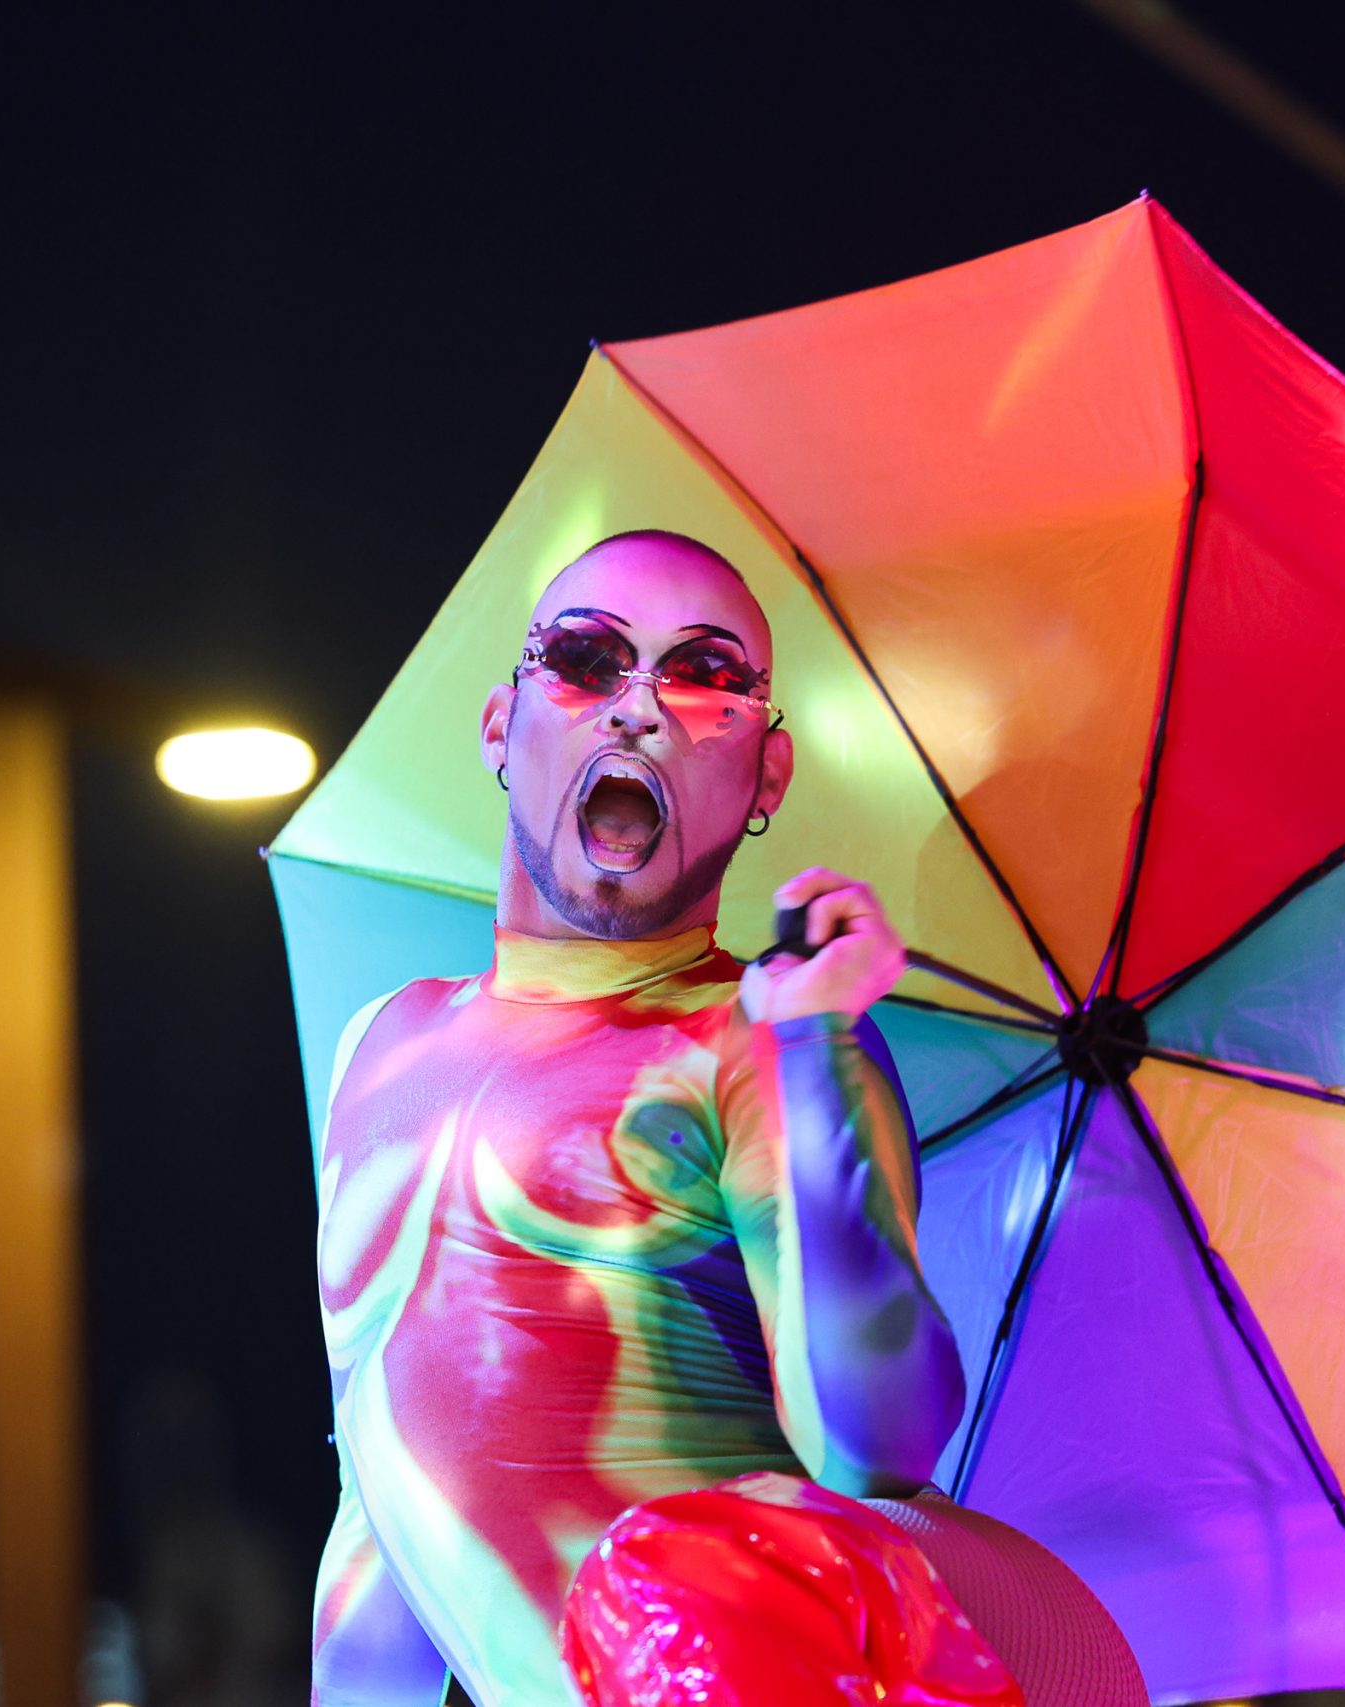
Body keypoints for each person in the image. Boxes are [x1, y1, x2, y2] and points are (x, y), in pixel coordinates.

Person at [307, 529, 976, 1706]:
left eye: (704, 676)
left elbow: (880, 1451)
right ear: (501, 726)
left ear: (767, 777)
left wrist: (813, 1058)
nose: (638, 709)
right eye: (585, 658)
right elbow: (376, 1497)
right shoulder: (380, 1044)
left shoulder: (761, 1039)